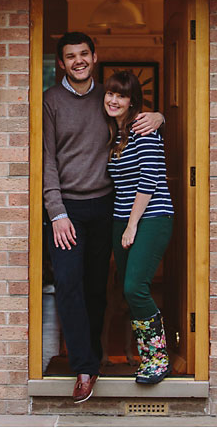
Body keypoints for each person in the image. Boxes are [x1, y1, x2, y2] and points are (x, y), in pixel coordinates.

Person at [42, 32, 163, 403]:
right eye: (69, 56)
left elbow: (138, 129)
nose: (77, 60)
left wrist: (158, 117)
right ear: (61, 63)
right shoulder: (50, 101)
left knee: (98, 289)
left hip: (106, 206)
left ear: (94, 57)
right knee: (68, 284)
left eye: (83, 54)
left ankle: (93, 361)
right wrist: (57, 211)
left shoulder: (107, 98)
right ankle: (83, 366)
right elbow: (47, 161)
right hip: (67, 210)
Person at [103, 70, 174, 384]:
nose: (114, 100)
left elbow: (149, 180)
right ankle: (147, 360)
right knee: (128, 291)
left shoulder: (144, 128)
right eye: (110, 93)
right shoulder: (115, 134)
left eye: (121, 95)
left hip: (152, 218)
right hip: (121, 220)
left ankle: (158, 359)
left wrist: (132, 226)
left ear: (132, 101)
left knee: (135, 287)